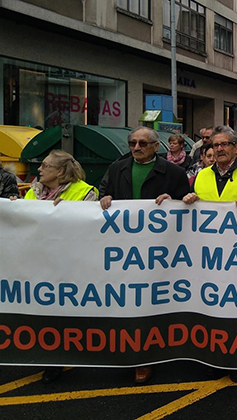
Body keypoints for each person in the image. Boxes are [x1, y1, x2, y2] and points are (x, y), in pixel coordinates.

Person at [99, 126, 190, 384]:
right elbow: (104, 191)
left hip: (159, 251)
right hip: (123, 248)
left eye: (142, 143)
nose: (136, 147)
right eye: (132, 143)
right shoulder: (117, 168)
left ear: (155, 145)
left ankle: (146, 358)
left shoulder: (174, 172)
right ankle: (126, 352)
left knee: (150, 302)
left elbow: (187, 202)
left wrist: (174, 200)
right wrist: (105, 197)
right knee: (126, 300)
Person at [21, 150, 98, 383]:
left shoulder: (86, 192)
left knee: (62, 312)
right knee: (43, 311)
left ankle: (57, 359)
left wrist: (67, 213)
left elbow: (89, 229)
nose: (39, 170)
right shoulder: (32, 192)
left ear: (61, 171)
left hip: (68, 262)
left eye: (45, 166)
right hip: (38, 260)